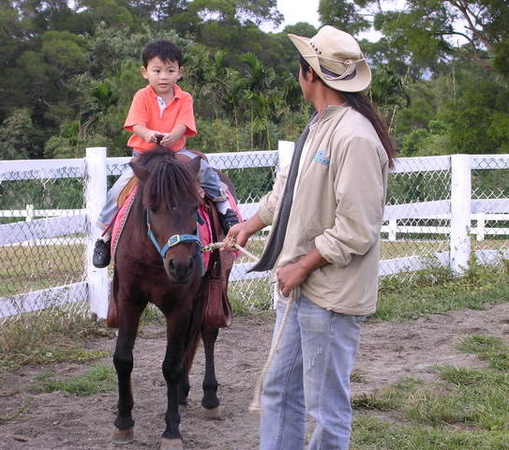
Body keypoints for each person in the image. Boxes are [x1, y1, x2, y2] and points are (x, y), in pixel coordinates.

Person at [223, 26, 395, 449]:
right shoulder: (320, 126)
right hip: (301, 290)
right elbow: (287, 192)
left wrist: (301, 265)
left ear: (310, 76)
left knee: (325, 406)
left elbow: (357, 228)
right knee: (280, 391)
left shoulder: (353, 136)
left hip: (329, 295)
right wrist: (251, 223)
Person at [93, 39, 239, 268]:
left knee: (204, 169)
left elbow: (184, 123)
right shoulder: (141, 96)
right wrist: (148, 134)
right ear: (145, 72)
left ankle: (225, 210)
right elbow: (136, 124)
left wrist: (173, 135)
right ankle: (105, 236)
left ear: (179, 72)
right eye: (157, 70)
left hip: (175, 153)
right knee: (119, 188)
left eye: (170, 71)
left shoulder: (185, 98)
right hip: (146, 154)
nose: (163, 76)